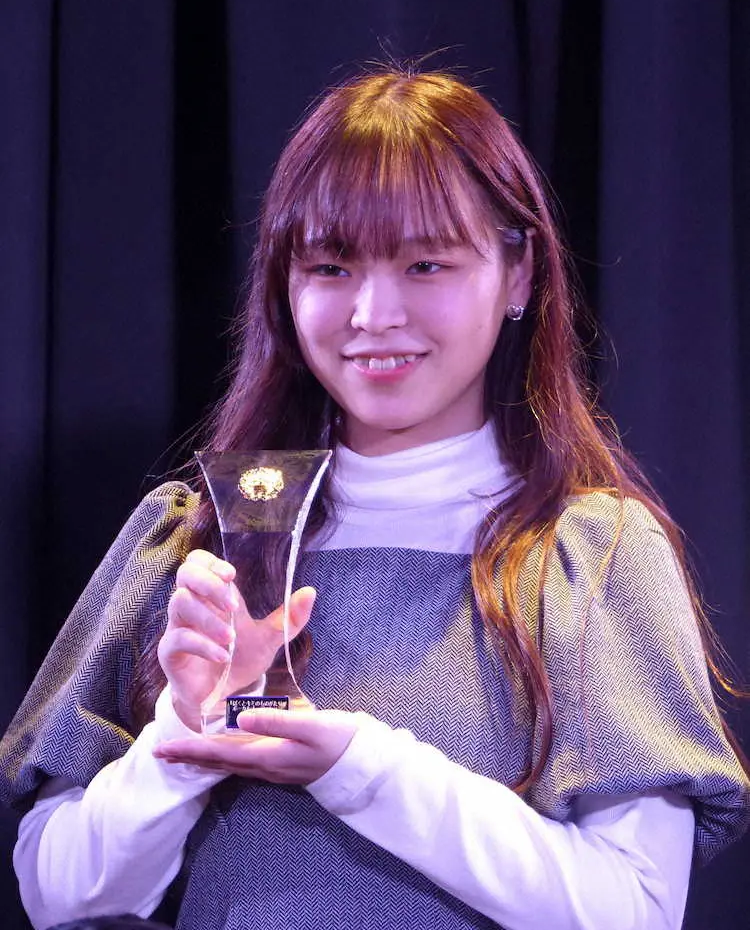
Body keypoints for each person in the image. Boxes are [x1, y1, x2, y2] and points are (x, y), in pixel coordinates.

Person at [0, 68, 748, 930]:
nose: (372, 313)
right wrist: (185, 735)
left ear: (519, 273)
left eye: (426, 264)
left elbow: (637, 908)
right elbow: (53, 892)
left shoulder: (588, 555)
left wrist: (361, 768)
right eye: (331, 266)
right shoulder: (204, 537)